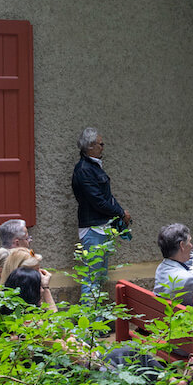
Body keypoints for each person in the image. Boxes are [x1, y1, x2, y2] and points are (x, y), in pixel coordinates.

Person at [72, 127, 129, 300]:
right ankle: (89, 325)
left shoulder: (92, 167)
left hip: (100, 228)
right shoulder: (84, 169)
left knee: (100, 276)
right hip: (93, 230)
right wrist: (120, 212)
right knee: (92, 278)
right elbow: (97, 201)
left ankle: (95, 321)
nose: (103, 147)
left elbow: (106, 197)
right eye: (100, 144)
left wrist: (121, 213)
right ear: (90, 147)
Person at [154, 223, 193, 304]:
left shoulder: (161, 268)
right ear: (182, 245)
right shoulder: (189, 280)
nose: (191, 246)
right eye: (189, 241)